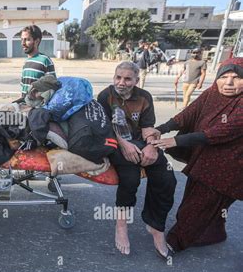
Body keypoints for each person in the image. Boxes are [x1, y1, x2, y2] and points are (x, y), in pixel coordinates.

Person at [145, 57, 243, 254]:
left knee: (197, 206)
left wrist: (177, 141)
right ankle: (214, 233)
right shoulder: (212, 93)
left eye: (237, 77)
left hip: (228, 167)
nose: (229, 83)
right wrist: (162, 129)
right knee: (208, 203)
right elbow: (189, 113)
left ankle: (175, 242)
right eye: (224, 77)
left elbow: (222, 131)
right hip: (204, 159)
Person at [97, 61, 177, 259]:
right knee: (130, 179)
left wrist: (151, 147)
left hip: (141, 143)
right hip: (115, 144)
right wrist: (124, 144)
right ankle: (121, 226)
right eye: (118, 77)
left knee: (167, 177)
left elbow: (148, 127)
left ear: (136, 81)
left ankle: (156, 226)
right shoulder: (105, 96)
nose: (121, 82)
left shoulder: (144, 97)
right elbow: (104, 128)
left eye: (127, 79)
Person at [20, 25, 56, 97]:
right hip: (24, 105)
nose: (23, 43)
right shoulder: (26, 62)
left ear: (36, 41)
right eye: (22, 39)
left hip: (37, 107)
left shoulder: (45, 60)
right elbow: (23, 87)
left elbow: (53, 86)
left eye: (27, 40)